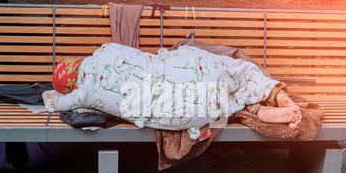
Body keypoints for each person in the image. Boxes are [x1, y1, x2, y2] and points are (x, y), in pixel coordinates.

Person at [43, 43, 301, 137]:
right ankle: (276, 95)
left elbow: (58, 104)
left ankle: (247, 108)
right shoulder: (106, 50)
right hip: (190, 67)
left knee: (212, 103)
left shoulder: (83, 94)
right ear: (76, 63)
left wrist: (61, 97)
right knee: (239, 71)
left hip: (188, 109)